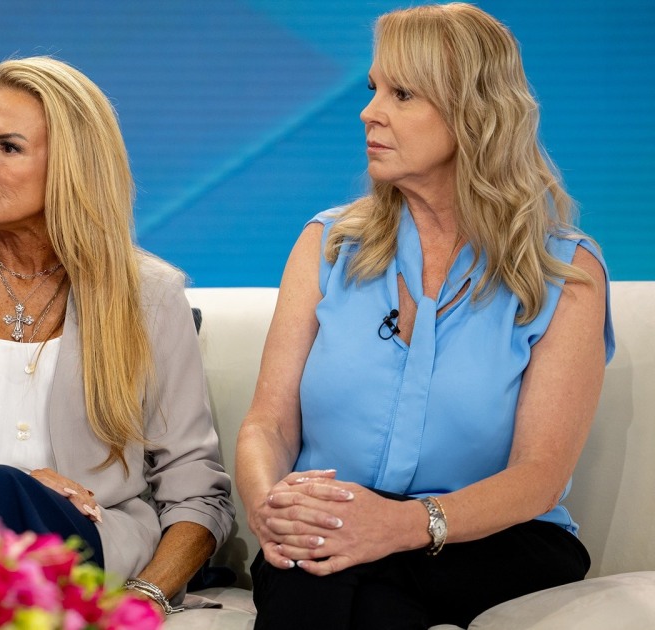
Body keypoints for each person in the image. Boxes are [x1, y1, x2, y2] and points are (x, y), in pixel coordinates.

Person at [234, 4, 614, 628]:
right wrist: (269, 506)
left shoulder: (562, 270)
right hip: (334, 527)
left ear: (474, 113)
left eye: (402, 94)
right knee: (331, 574)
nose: (369, 112)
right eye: (373, 89)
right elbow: (267, 424)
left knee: (337, 575)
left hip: (491, 540)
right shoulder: (328, 245)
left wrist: (400, 524)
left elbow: (540, 475)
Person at [0, 56, 234, 616]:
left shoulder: (149, 294)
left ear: (71, 168)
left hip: (88, 559)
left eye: (8, 147)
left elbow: (195, 490)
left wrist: (146, 597)